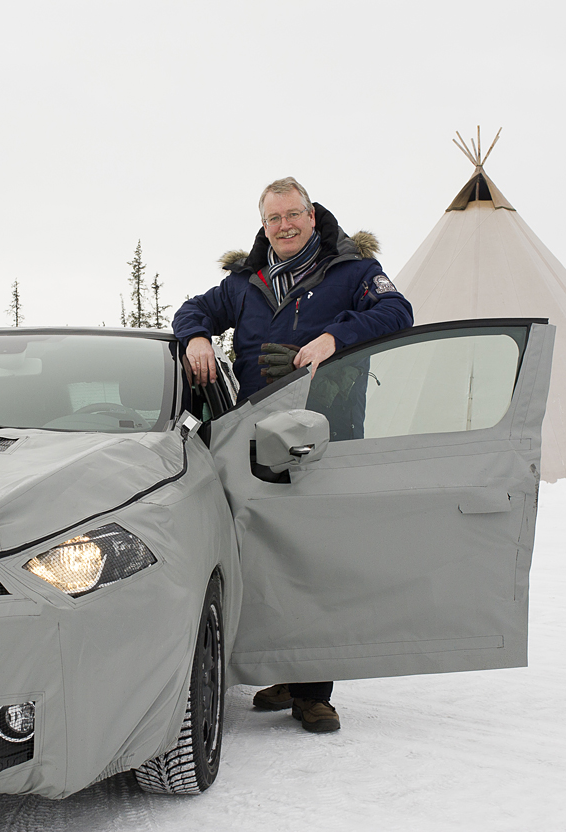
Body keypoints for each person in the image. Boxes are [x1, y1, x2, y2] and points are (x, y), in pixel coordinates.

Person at [172, 177, 413, 733]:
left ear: (312, 215)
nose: (284, 225)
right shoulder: (246, 284)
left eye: (293, 215)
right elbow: (194, 308)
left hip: (326, 436)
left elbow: (399, 313)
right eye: (273, 218)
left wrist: (335, 339)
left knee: (317, 560)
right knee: (265, 559)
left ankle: (314, 690)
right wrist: (198, 338)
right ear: (264, 225)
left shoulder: (352, 271)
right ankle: (282, 670)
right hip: (257, 442)